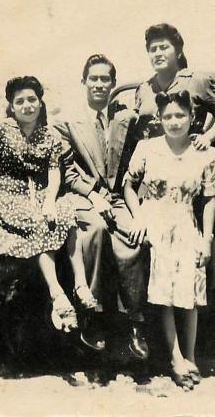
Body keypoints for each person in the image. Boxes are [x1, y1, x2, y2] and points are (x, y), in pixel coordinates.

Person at [0, 76, 95, 333]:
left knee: (66, 214)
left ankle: (80, 284)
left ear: (41, 103)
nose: (27, 106)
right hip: (12, 194)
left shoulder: (50, 136)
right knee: (38, 222)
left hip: (43, 191)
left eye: (32, 99)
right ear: (11, 106)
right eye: (19, 101)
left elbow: (55, 171)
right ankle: (57, 294)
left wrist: (52, 202)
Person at [53, 54, 149, 358]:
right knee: (93, 230)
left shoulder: (125, 119)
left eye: (105, 79)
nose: (98, 84)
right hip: (82, 198)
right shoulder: (66, 122)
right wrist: (93, 196)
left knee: (134, 237)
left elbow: (136, 160)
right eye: (93, 78)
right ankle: (91, 315)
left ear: (113, 84)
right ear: (83, 82)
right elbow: (66, 170)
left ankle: (135, 320)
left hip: (118, 197)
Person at [123, 90, 215, 390]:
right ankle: (176, 357)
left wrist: (206, 240)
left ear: (192, 117)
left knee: (189, 289)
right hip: (155, 220)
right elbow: (129, 185)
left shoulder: (207, 153)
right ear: (159, 119)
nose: (174, 122)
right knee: (164, 289)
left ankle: (190, 355)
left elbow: (209, 199)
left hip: (186, 220)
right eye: (167, 117)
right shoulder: (147, 148)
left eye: (180, 115)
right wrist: (139, 217)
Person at [132, 23, 215, 294]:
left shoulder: (196, 81)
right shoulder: (144, 88)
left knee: (197, 221)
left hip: (189, 160)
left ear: (178, 50)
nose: (158, 53)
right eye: (152, 49)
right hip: (153, 166)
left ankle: (211, 281)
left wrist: (208, 137)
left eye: (164, 47)